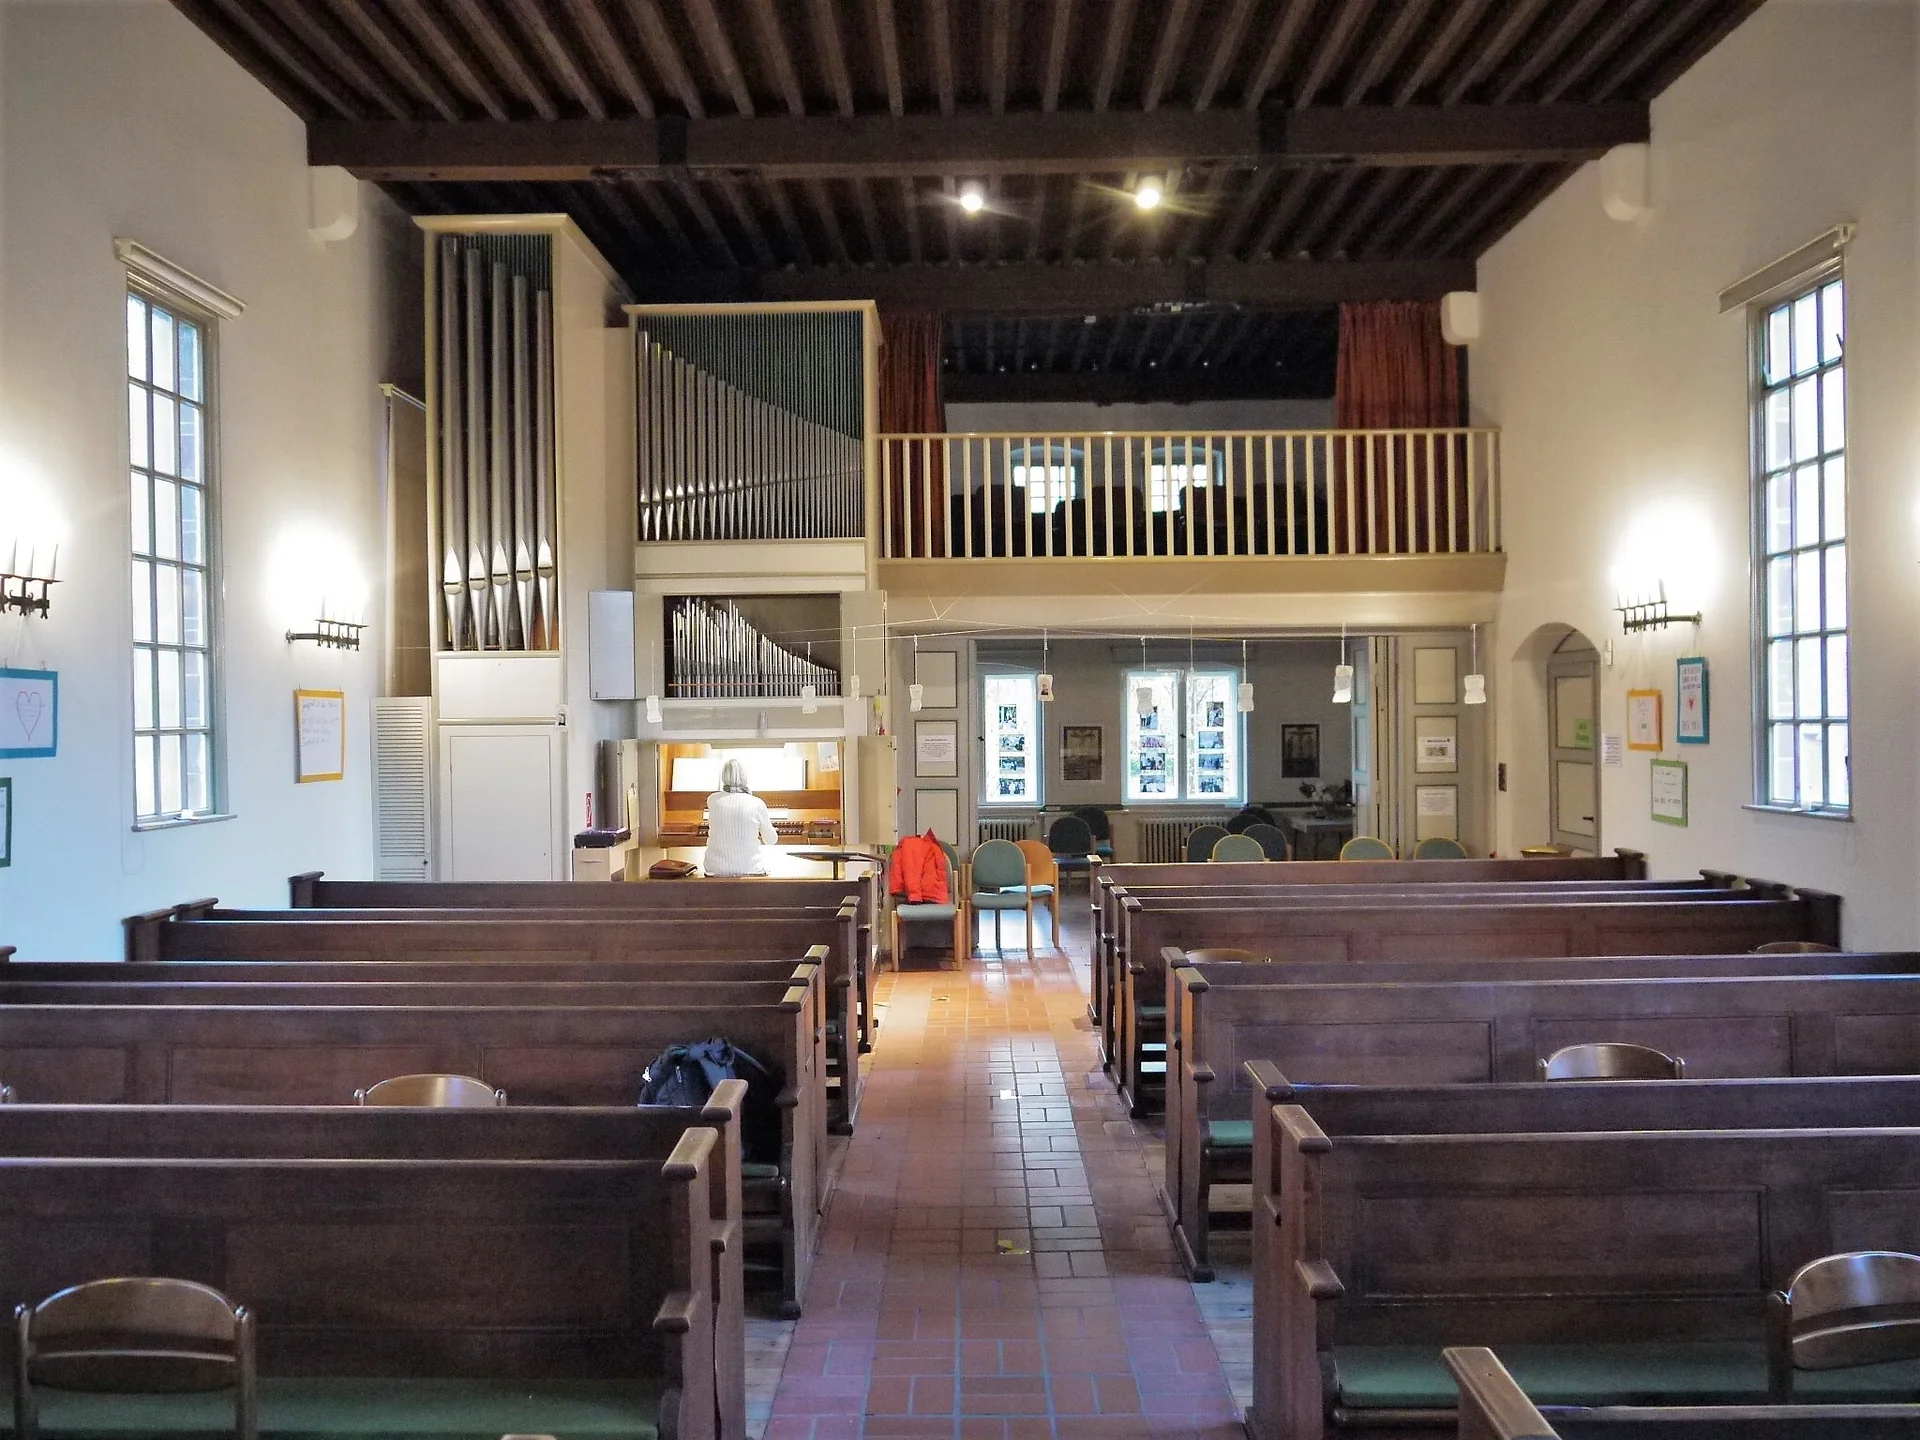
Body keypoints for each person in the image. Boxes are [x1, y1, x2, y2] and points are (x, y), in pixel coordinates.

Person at [703, 759, 780, 877]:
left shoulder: (712, 800)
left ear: (724, 776)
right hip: (750, 869)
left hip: (714, 869)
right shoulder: (757, 803)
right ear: (745, 777)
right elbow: (771, 840)